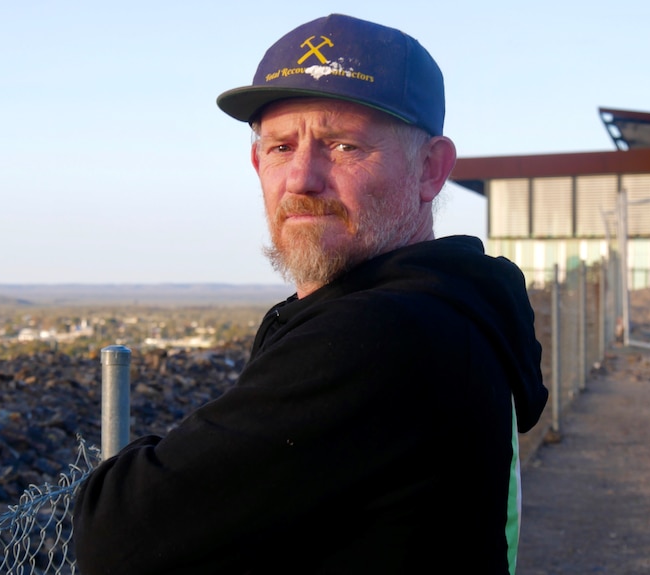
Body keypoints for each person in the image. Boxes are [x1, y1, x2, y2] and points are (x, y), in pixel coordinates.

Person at [73, 13, 547, 574]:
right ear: (256, 163)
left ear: (430, 169)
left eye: (342, 145)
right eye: (279, 147)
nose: (300, 178)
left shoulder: (381, 334)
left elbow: (117, 532)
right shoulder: (457, 307)